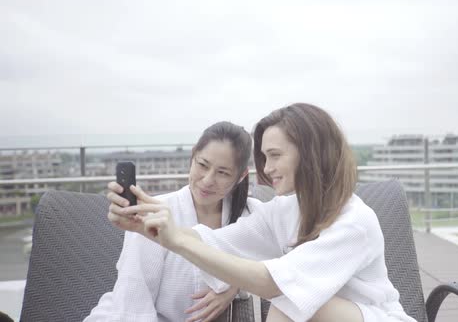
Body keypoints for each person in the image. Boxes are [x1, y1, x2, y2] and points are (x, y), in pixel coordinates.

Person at [109, 103, 416, 322]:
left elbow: (271, 283)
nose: (267, 169)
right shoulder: (284, 211)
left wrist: (177, 240)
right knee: (292, 301)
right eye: (264, 158)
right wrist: (153, 225)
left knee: (290, 300)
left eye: (274, 156)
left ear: (310, 153)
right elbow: (218, 242)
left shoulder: (354, 223)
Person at [86, 121, 254, 322]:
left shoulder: (251, 215)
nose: (208, 180)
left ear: (241, 176)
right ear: (192, 156)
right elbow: (133, 300)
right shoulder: (154, 214)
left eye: (223, 173)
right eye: (202, 165)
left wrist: (234, 286)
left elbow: (279, 266)